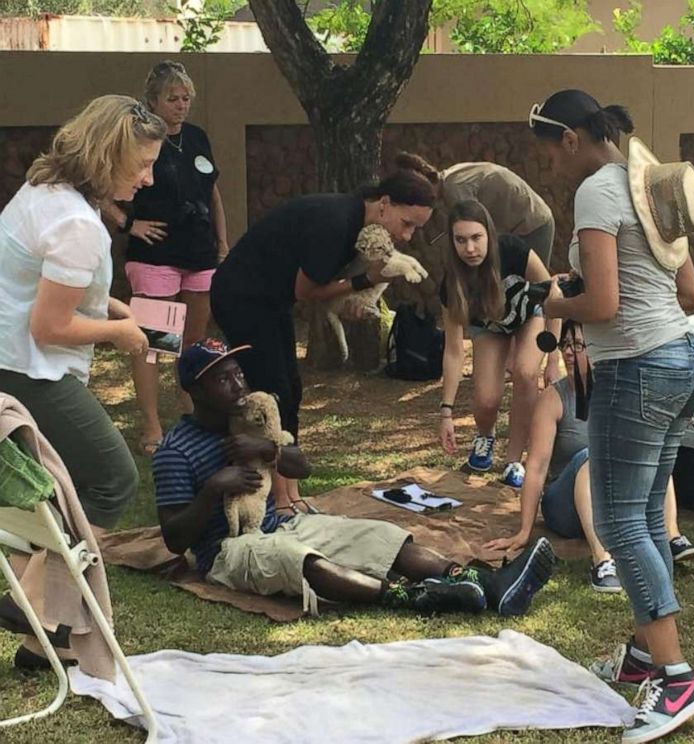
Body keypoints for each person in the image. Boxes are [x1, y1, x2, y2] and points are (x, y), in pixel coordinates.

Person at [532, 89, 694, 742]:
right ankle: (643, 656)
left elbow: (603, 304)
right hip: (683, 359)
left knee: (616, 521)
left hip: (637, 370)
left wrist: (552, 301)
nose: (548, 166)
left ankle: (678, 679)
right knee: (644, 519)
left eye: (547, 153)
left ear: (571, 140)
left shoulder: (596, 192)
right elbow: (687, 291)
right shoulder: (649, 180)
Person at [153, 339, 557, 617]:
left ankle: (485, 583)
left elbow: (301, 468)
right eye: (222, 380)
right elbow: (175, 538)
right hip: (228, 551)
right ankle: (411, 598)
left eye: (238, 374)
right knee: (300, 561)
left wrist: (268, 451)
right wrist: (212, 490)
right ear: (195, 390)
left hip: (287, 524)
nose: (238, 386)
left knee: (379, 536)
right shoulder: (177, 450)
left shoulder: (250, 421)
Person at [0, 96, 163, 668]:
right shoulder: (77, 224)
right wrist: (121, 335)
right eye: (140, 165)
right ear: (104, 155)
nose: (148, 178)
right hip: (29, 370)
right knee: (112, 479)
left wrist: (111, 306)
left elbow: (33, 285)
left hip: (9, 361)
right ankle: (33, 601)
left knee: (54, 490)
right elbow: (50, 325)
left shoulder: (42, 193)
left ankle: (39, 638)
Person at [210, 153, 436, 514]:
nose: (406, 237)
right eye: (406, 224)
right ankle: (277, 500)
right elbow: (307, 292)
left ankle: (291, 495)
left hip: (270, 300)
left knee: (290, 391)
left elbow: (319, 287)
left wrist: (355, 296)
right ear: (384, 204)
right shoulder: (335, 223)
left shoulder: (354, 222)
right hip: (243, 297)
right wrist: (367, 280)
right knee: (274, 393)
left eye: (414, 230)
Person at [483, 321, 694, 593]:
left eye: (579, 345)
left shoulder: (621, 393)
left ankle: (673, 537)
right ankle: (602, 561)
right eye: (566, 346)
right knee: (592, 455)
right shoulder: (554, 398)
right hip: (564, 505)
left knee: (652, 449)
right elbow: (537, 466)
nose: (570, 353)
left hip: (612, 497)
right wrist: (524, 530)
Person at [104, 61, 227, 455]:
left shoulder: (197, 137)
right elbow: (101, 189)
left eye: (186, 97)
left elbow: (213, 193)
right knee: (158, 343)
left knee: (193, 341)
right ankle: (153, 427)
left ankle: (190, 410)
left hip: (200, 253)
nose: (181, 105)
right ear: (152, 101)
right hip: (155, 257)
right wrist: (129, 225)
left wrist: (221, 241)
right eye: (172, 98)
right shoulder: (136, 140)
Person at [438, 199, 560, 488]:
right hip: (491, 325)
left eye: (476, 238)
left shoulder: (514, 250)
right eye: (461, 240)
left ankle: (514, 460)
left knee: (525, 372)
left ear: (489, 235)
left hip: (530, 313)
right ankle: (485, 437)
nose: (470, 248)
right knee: (486, 399)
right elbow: (454, 351)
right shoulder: (452, 284)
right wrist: (446, 412)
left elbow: (555, 298)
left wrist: (553, 359)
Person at [439, 161, 555, 266]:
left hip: (532, 224)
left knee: (536, 285)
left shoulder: (453, 189)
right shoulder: (451, 176)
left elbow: (474, 226)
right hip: (518, 224)